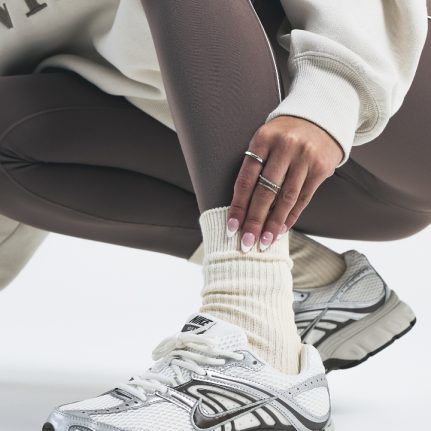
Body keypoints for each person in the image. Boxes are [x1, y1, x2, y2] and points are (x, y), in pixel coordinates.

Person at [0, 0, 428, 430]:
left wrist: (329, 97)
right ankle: (304, 284)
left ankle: (258, 340)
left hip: (389, 90)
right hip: (283, 166)